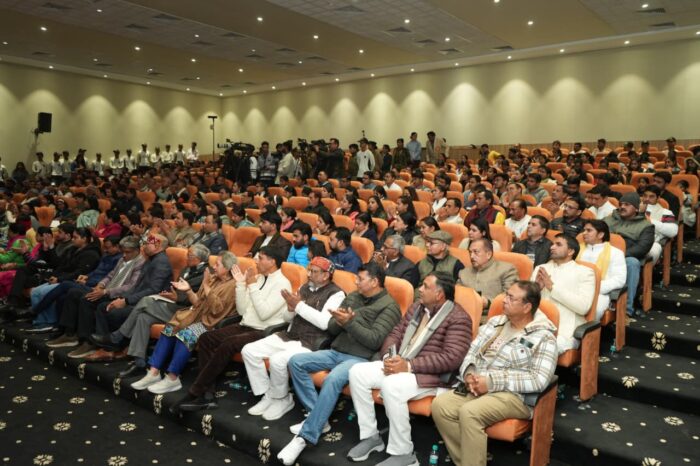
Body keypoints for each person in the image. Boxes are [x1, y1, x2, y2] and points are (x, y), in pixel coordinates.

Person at [277, 263, 402, 465]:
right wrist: (339, 321)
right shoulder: (353, 296)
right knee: (296, 362)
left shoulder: (390, 307)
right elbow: (332, 328)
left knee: (332, 379)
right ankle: (319, 418)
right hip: (336, 351)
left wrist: (350, 323)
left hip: (359, 358)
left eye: (360, 279)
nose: (356, 282)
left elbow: (375, 340)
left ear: (374, 282)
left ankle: (304, 437)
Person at [347, 272, 472, 465]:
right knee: (357, 372)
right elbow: (395, 334)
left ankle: (403, 453)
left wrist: (409, 366)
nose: (420, 289)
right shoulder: (417, 307)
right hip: (403, 365)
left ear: (439, 294)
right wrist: (389, 358)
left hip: (432, 376)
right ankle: (371, 437)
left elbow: (452, 358)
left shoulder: (458, 318)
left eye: (425, 286)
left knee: (392, 385)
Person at [199, 257, 347, 417]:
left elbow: (324, 323)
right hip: (289, 335)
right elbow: (287, 319)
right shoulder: (304, 288)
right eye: (309, 270)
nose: (309, 274)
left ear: (326, 275)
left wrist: (298, 306)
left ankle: (282, 399)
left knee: (277, 360)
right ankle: (269, 395)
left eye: (314, 272)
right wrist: (290, 309)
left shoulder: (336, 294)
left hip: (310, 342)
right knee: (249, 351)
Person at [431, 281, 557, 466]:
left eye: (511, 298)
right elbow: (471, 352)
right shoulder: (495, 322)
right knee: (441, 405)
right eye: (506, 295)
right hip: (478, 385)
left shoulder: (544, 337)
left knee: (469, 412)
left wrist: (491, 382)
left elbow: (538, 380)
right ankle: (468, 462)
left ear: (527, 307)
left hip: (513, 395)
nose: (504, 300)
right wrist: (469, 374)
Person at [173, 246, 291, 407]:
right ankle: (208, 394)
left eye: (260, 258)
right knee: (206, 338)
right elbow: (242, 311)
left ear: (272, 261)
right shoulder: (258, 278)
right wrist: (241, 285)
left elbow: (264, 314)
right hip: (245, 325)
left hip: (264, 331)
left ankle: (195, 392)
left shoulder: (282, 284)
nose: (256, 261)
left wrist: (251, 286)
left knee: (228, 343)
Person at [90, 243, 210, 374]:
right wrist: (170, 295)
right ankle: (139, 362)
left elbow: (200, 300)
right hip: (174, 305)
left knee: (146, 301)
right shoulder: (187, 269)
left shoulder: (206, 275)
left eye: (189, 255)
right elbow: (177, 289)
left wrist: (177, 298)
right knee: (144, 317)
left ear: (198, 258)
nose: (186, 258)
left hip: (188, 312)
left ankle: (118, 336)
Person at [130, 252, 238, 394]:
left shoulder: (234, 285)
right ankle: (153, 373)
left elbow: (216, 310)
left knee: (186, 334)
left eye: (217, 264)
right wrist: (188, 290)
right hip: (197, 316)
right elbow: (197, 302)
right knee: (170, 328)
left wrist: (205, 285)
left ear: (227, 268)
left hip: (213, 323)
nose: (213, 267)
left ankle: (173, 378)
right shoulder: (213, 279)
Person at [48, 234, 171, 358]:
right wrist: (105, 288)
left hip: (145, 301)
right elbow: (123, 280)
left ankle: (103, 344)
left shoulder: (159, 262)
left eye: (148, 243)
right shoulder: (152, 259)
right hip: (133, 296)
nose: (144, 246)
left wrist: (125, 300)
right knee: (81, 296)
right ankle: (88, 340)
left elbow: (151, 289)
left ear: (157, 245)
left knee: (95, 303)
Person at [533, 234, 596, 352]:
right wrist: (536, 289)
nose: (552, 247)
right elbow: (525, 303)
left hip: (564, 332)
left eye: (558, 244)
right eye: (552, 244)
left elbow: (583, 307)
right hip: (536, 326)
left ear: (571, 251)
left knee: (543, 348)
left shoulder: (585, 272)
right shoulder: (540, 268)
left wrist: (552, 288)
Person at [604, 192, 655, 317]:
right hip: (604, 252)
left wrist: (619, 256)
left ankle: (626, 310)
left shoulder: (646, 226)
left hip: (626, 256)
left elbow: (642, 248)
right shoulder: (608, 220)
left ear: (636, 208)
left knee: (632, 263)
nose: (622, 207)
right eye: (621, 204)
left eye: (627, 204)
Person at [578, 220, 626, 319]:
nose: (584, 233)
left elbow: (619, 279)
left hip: (600, 292)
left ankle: (587, 329)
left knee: (595, 309)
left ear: (600, 235)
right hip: (575, 288)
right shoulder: (576, 250)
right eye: (584, 230)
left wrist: (595, 287)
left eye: (589, 230)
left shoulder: (615, 253)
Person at [458, 238, 518, 313]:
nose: (472, 256)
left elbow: (511, 297)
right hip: (464, 315)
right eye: (470, 252)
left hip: (494, 315)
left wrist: (488, 303)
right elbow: (456, 296)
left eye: (476, 252)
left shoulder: (506, 269)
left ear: (488, 254)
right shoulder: (463, 272)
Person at [641, 185, 678, 264]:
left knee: (654, 250)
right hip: (631, 239)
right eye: (645, 196)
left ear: (658, 198)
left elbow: (673, 231)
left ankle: (645, 270)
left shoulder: (665, 212)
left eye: (651, 197)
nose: (647, 199)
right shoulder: (633, 208)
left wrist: (650, 220)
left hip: (652, 243)